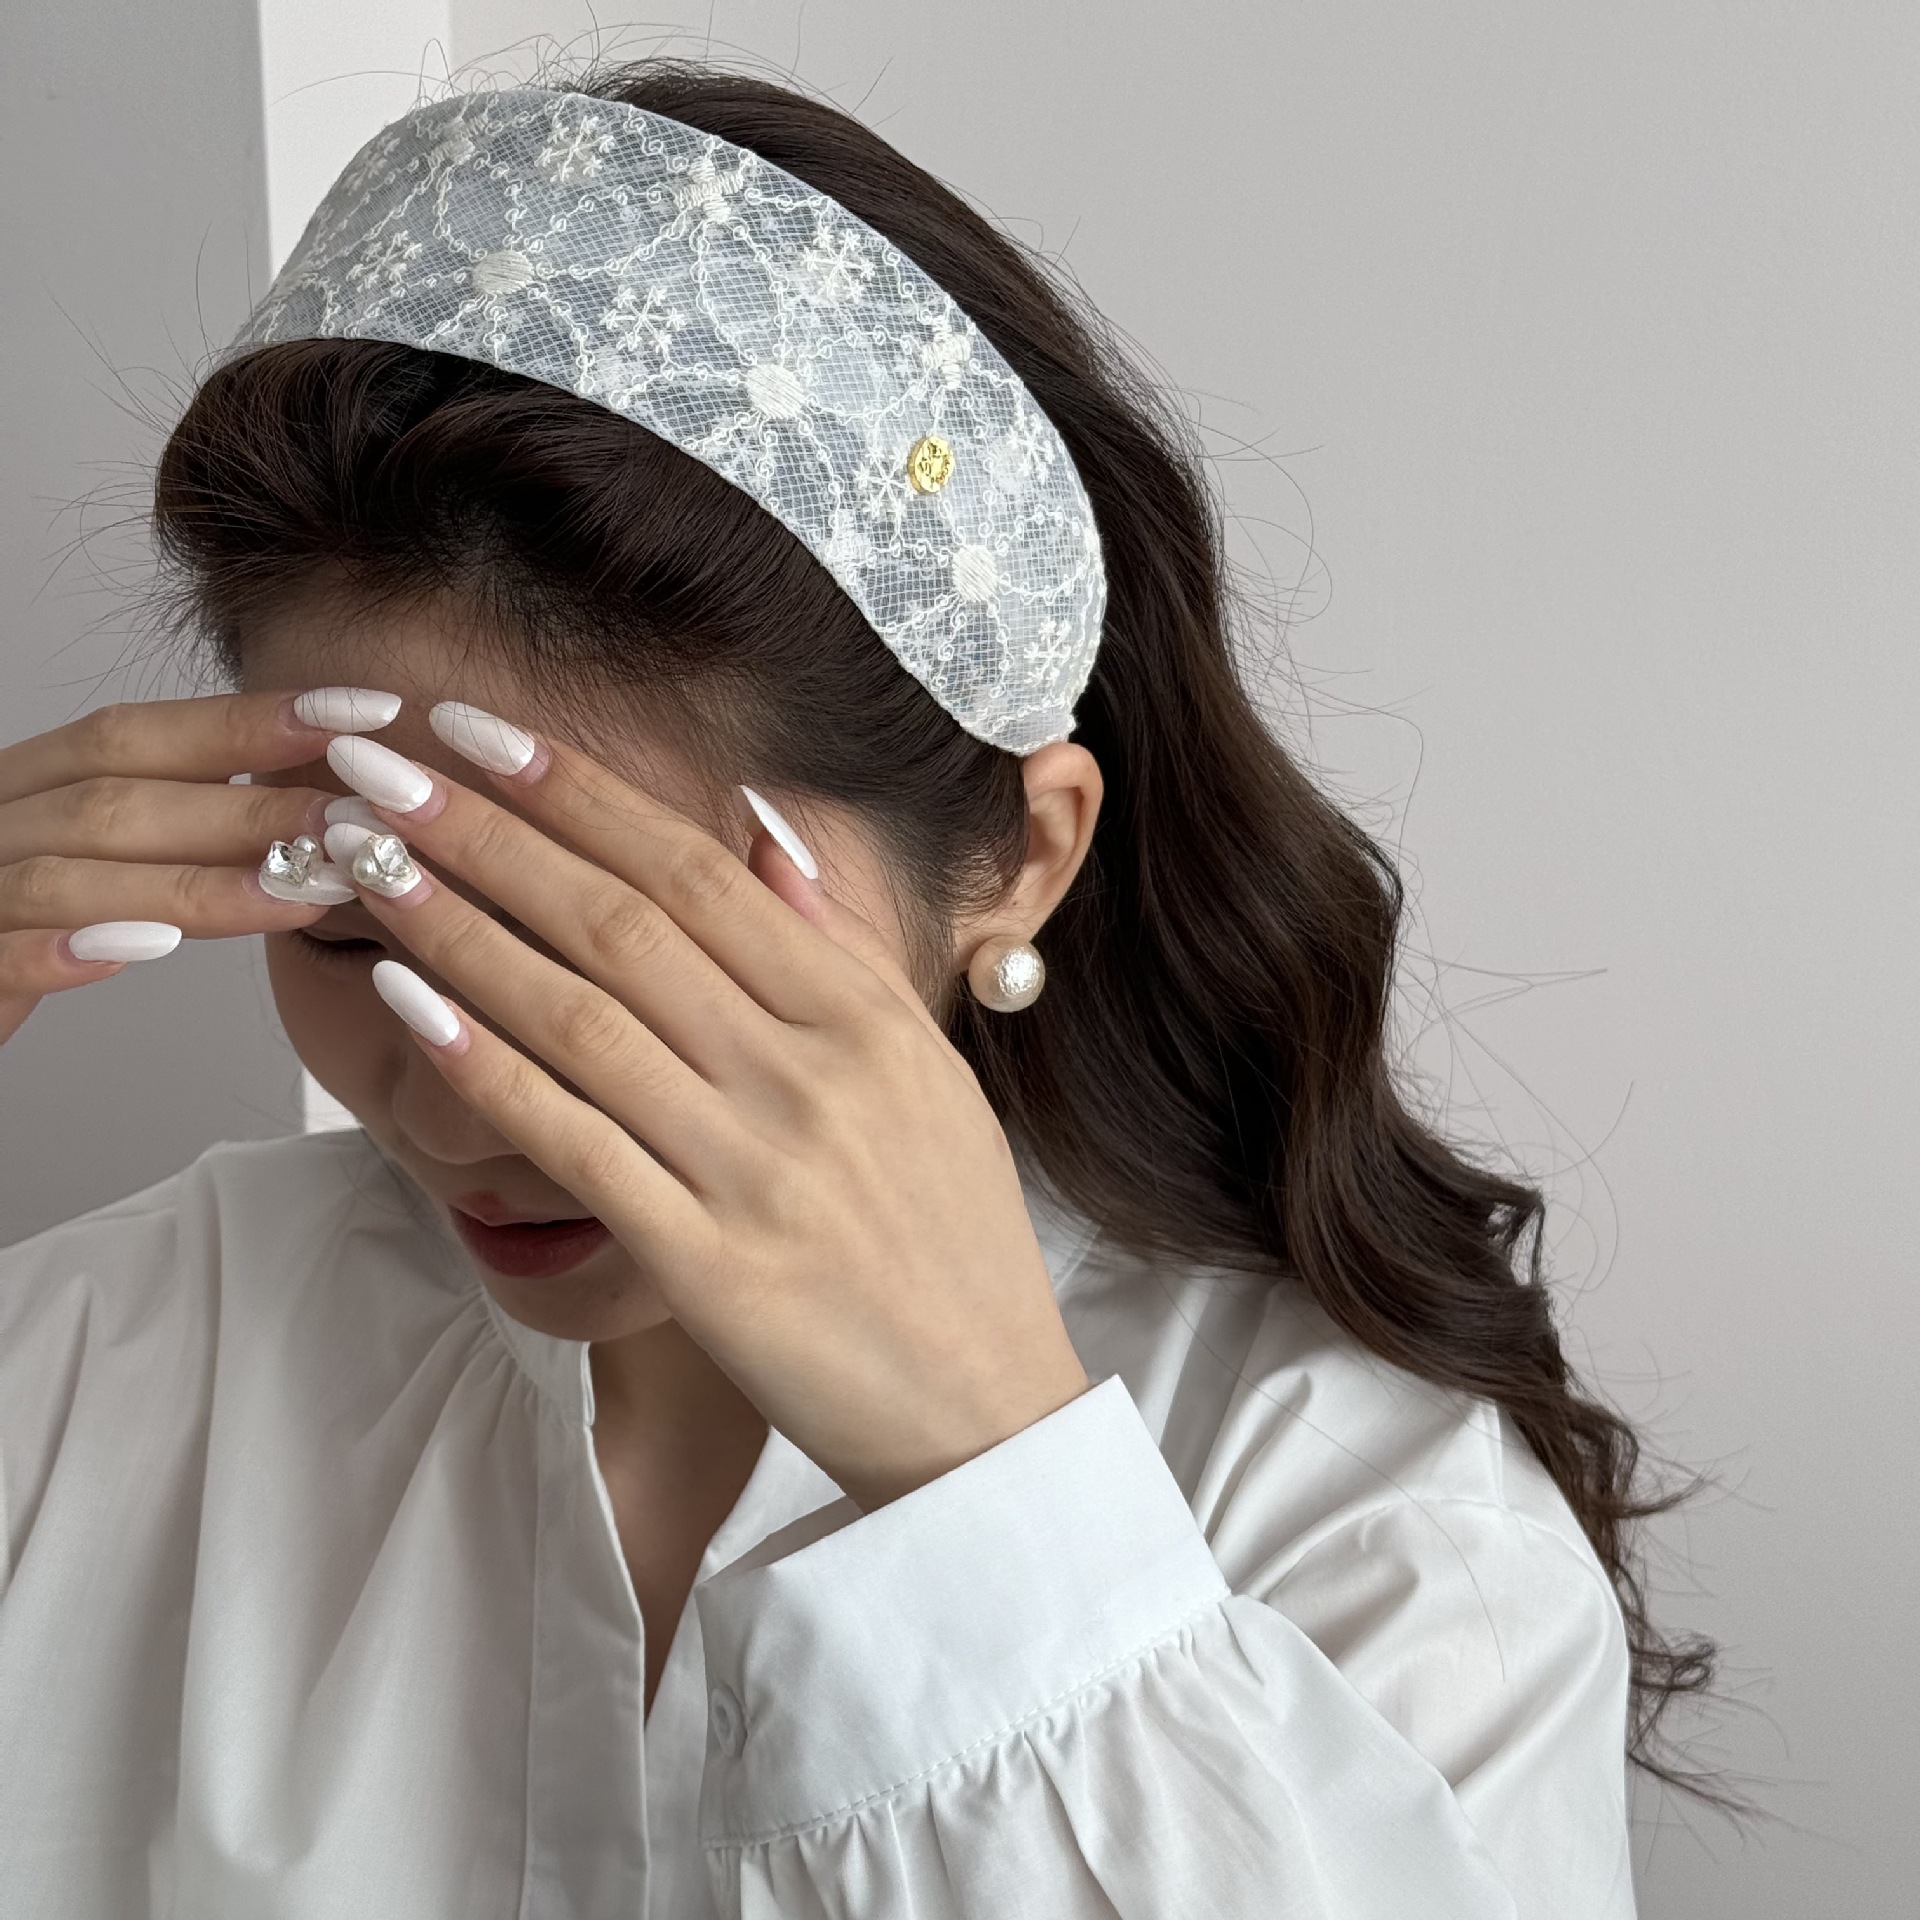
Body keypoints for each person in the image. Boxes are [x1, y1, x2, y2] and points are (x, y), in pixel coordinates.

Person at [0, 61, 1700, 1918]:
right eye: (350, 933)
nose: (468, 1094)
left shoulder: (1374, 1534)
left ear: (1021, 860)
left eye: (616, 955)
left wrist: (990, 1500)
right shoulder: (116, 1360)